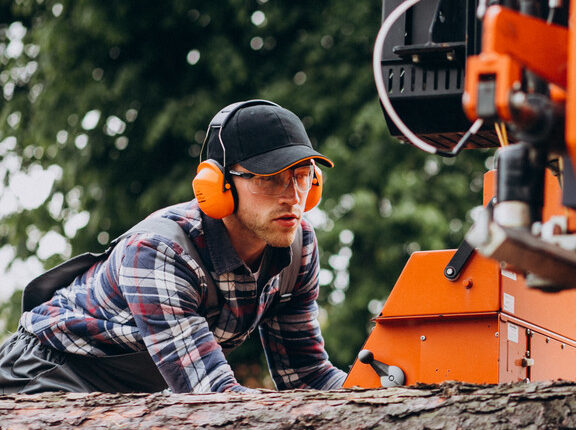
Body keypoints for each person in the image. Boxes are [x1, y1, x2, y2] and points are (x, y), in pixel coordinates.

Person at [0, 100, 347, 394]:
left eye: (302, 176)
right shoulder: (158, 251)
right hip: (46, 374)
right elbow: (213, 397)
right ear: (219, 184)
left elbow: (307, 376)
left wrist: (373, 390)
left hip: (131, 395)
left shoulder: (298, 246)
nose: (293, 197)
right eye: (269, 178)